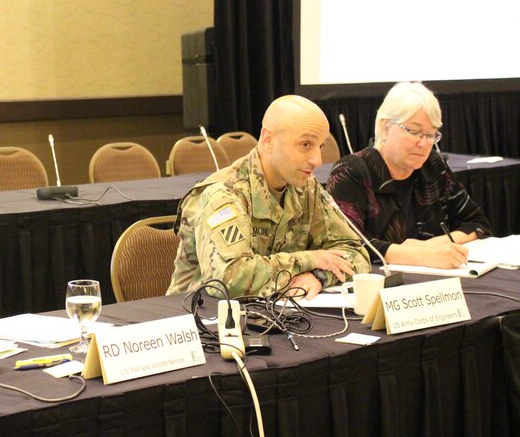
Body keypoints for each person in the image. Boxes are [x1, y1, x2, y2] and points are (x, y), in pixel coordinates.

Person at [166, 95, 371, 300]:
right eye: (306, 144)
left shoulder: (307, 189)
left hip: (272, 315)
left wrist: (317, 276)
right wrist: (309, 260)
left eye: (321, 147)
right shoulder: (224, 194)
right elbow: (229, 279)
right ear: (268, 140)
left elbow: (356, 253)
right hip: (200, 320)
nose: (317, 160)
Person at [326, 82, 492, 269]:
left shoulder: (432, 164)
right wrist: (418, 255)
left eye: (431, 135)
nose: (423, 143)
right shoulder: (351, 171)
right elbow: (347, 246)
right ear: (385, 127)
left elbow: (477, 223)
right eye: (414, 132)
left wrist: (432, 246)